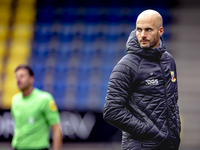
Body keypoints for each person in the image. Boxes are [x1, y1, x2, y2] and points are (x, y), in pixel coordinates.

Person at [103, 9, 181, 150]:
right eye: (139, 29)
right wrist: (148, 131)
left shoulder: (169, 61)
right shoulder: (126, 66)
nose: (142, 35)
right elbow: (111, 111)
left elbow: (172, 101)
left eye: (148, 30)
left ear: (160, 31)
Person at [11, 65, 62, 150]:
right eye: (16, 77)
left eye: (22, 76)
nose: (18, 80)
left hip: (38, 148)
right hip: (17, 147)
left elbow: (56, 129)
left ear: (31, 79)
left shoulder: (44, 99)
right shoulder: (15, 100)